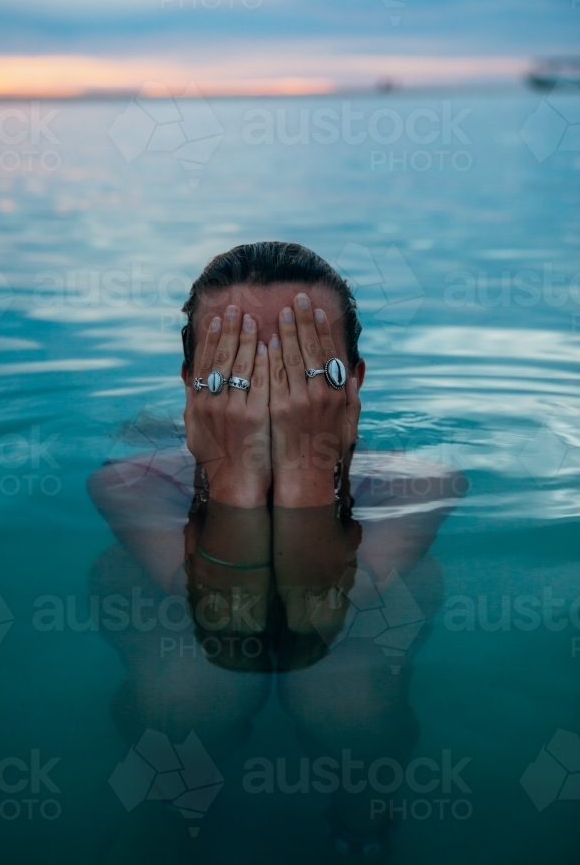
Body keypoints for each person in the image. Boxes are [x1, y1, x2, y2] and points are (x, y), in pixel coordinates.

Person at [88, 242, 466, 863]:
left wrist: (302, 464)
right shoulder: (134, 481)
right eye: (233, 372)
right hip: (189, 624)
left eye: (306, 369)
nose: (273, 395)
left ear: (356, 379)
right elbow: (226, 629)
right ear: (190, 385)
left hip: (346, 632)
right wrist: (234, 469)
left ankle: (362, 813)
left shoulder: (416, 483)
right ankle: (170, 808)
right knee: (185, 695)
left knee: (348, 699)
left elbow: (321, 619)